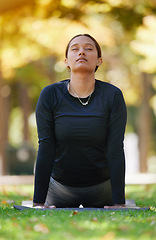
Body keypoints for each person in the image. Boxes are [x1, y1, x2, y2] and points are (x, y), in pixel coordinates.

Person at [33, 34, 127, 209]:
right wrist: (38, 203)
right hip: (59, 188)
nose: (81, 52)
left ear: (99, 60)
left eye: (88, 49)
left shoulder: (113, 95)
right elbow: (46, 146)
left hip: (102, 188)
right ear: (66, 61)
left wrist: (119, 203)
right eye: (75, 49)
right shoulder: (49, 95)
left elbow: (115, 148)